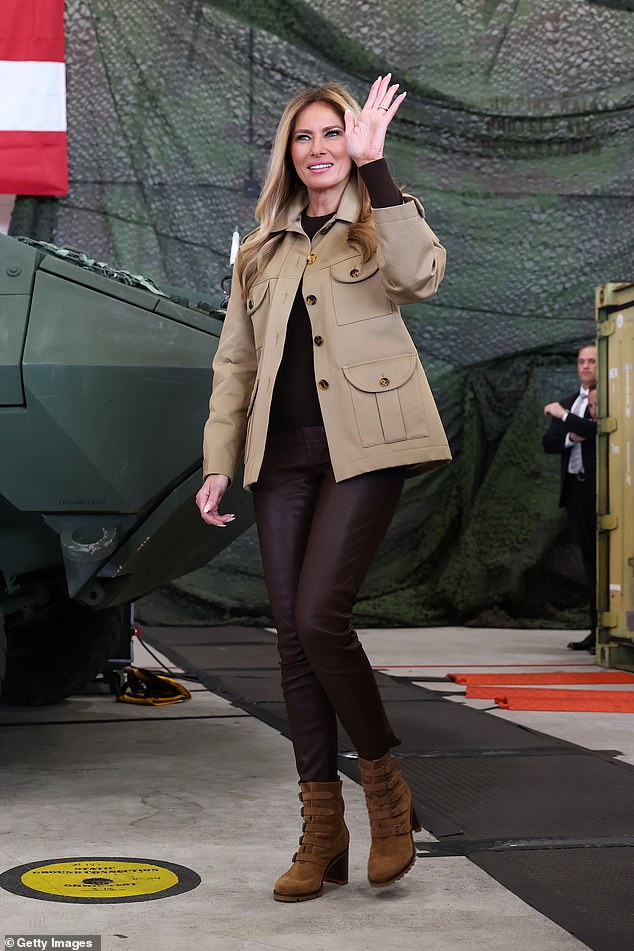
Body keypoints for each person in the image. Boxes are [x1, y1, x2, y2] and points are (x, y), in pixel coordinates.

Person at [196, 74, 450, 902]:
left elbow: (423, 277)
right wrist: (218, 461)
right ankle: (321, 830)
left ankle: (384, 789)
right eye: (303, 137)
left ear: (354, 143)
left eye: (331, 134)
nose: (317, 149)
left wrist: (380, 171)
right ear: (289, 152)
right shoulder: (262, 249)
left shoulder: (378, 219)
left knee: (318, 616)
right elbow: (234, 361)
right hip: (281, 457)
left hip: (366, 446)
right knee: (291, 640)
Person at [543, 343, 598, 651]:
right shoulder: (569, 402)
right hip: (575, 490)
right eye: (581, 361)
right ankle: (595, 629)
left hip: (599, 489)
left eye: (592, 361)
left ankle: (608, 629)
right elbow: (549, 442)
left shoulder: (603, 400)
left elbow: (596, 429)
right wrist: (570, 435)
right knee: (589, 561)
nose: (586, 366)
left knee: (605, 562)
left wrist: (564, 417)